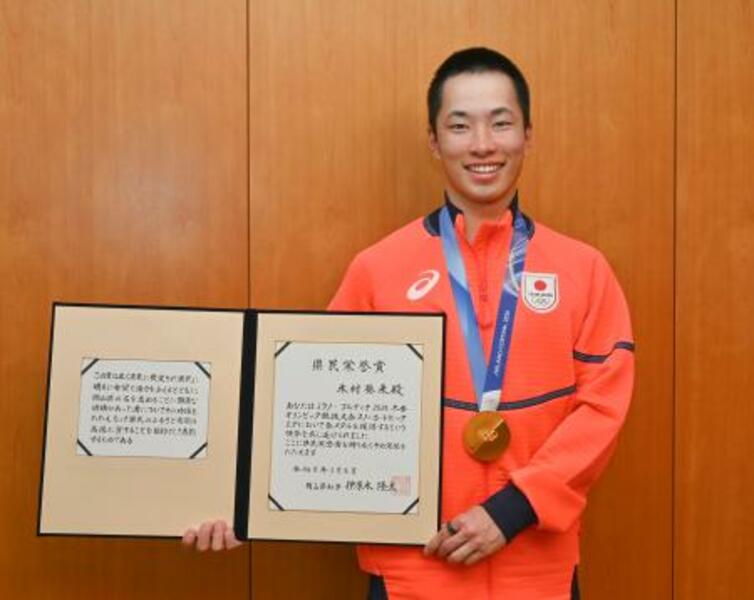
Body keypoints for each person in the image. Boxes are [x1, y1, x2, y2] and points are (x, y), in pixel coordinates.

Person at [184, 47, 634, 600]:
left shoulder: (583, 270)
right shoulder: (378, 269)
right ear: (434, 142)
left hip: (540, 574)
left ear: (528, 135)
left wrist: (512, 510)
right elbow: (316, 408)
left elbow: (602, 409)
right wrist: (240, 502)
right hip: (409, 575)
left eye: (500, 123)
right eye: (460, 126)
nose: (483, 144)